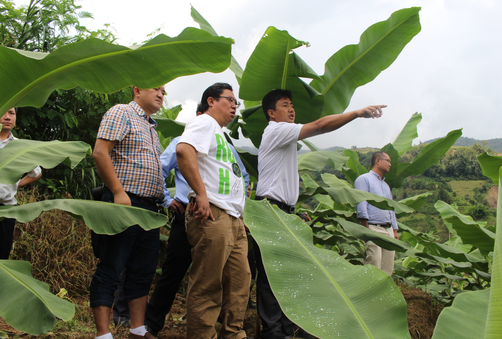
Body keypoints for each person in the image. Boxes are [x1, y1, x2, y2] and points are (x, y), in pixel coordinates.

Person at [255, 89, 385, 339]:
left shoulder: (284, 136)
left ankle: (287, 325)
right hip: (271, 208)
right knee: (272, 273)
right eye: (285, 105)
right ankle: (272, 331)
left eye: (292, 105)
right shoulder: (275, 130)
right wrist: (357, 112)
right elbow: (320, 126)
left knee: (288, 271)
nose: (291, 109)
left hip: (283, 211)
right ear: (272, 113)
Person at [144, 104, 250, 337]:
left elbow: (242, 173)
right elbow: (159, 167)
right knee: (175, 272)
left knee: (229, 277)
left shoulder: (224, 144)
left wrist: (241, 199)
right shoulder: (184, 139)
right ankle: (151, 324)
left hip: (223, 214)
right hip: (189, 210)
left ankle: (228, 330)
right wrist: (166, 198)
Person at [176, 83, 252, 339]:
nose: (234, 106)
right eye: (229, 100)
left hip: (232, 218)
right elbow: (183, 151)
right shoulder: (204, 123)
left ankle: (233, 334)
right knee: (208, 284)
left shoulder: (220, 133)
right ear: (211, 101)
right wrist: (201, 194)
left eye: (236, 103)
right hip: (213, 215)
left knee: (239, 284)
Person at [90, 86, 166, 339]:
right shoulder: (122, 112)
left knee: (142, 271)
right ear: (137, 90)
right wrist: (118, 191)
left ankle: (137, 329)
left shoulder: (152, 128)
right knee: (112, 266)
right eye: (156, 88)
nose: (161, 94)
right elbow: (101, 152)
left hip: (149, 209)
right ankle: (103, 333)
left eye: (164, 92)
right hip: (125, 202)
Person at [0, 107, 42, 259]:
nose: (7, 117)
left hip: (7, 210)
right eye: (3, 113)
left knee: (2, 257)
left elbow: (36, 172)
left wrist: (16, 184)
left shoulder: (19, 147)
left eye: (11, 113)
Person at [354, 151, 398, 276]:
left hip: (388, 228)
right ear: (377, 161)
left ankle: (383, 295)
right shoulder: (363, 179)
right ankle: (369, 293)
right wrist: (365, 227)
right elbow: (361, 202)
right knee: (374, 263)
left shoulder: (386, 185)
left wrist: (394, 230)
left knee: (388, 267)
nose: (390, 164)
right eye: (387, 161)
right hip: (373, 227)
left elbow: (391, 208)